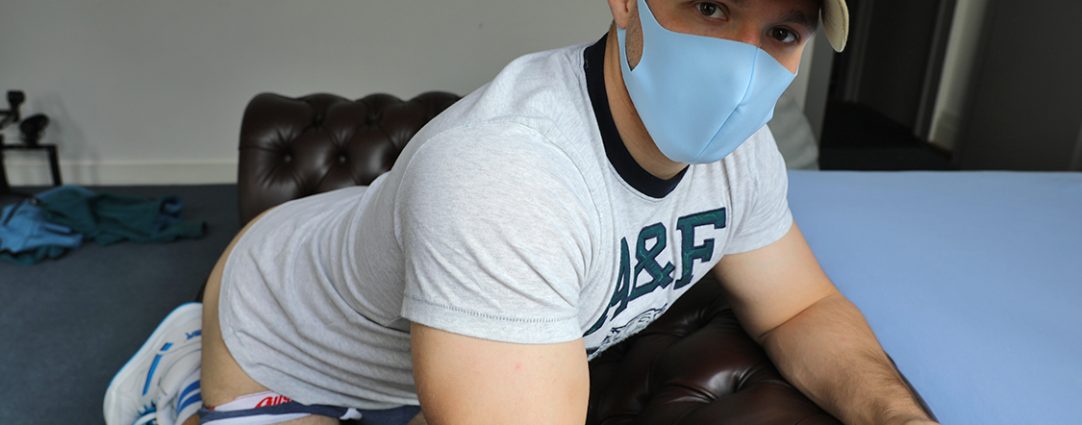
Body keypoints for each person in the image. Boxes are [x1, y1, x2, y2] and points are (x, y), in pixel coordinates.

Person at [105, 0, 941, 424]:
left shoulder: (745, 155)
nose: (741, 66)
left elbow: (801, 307)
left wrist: (900, 416)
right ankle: (183, 368)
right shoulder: (503, 174)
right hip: (281, 334)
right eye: (712, 7)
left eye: (783, 31)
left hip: (403, 283)